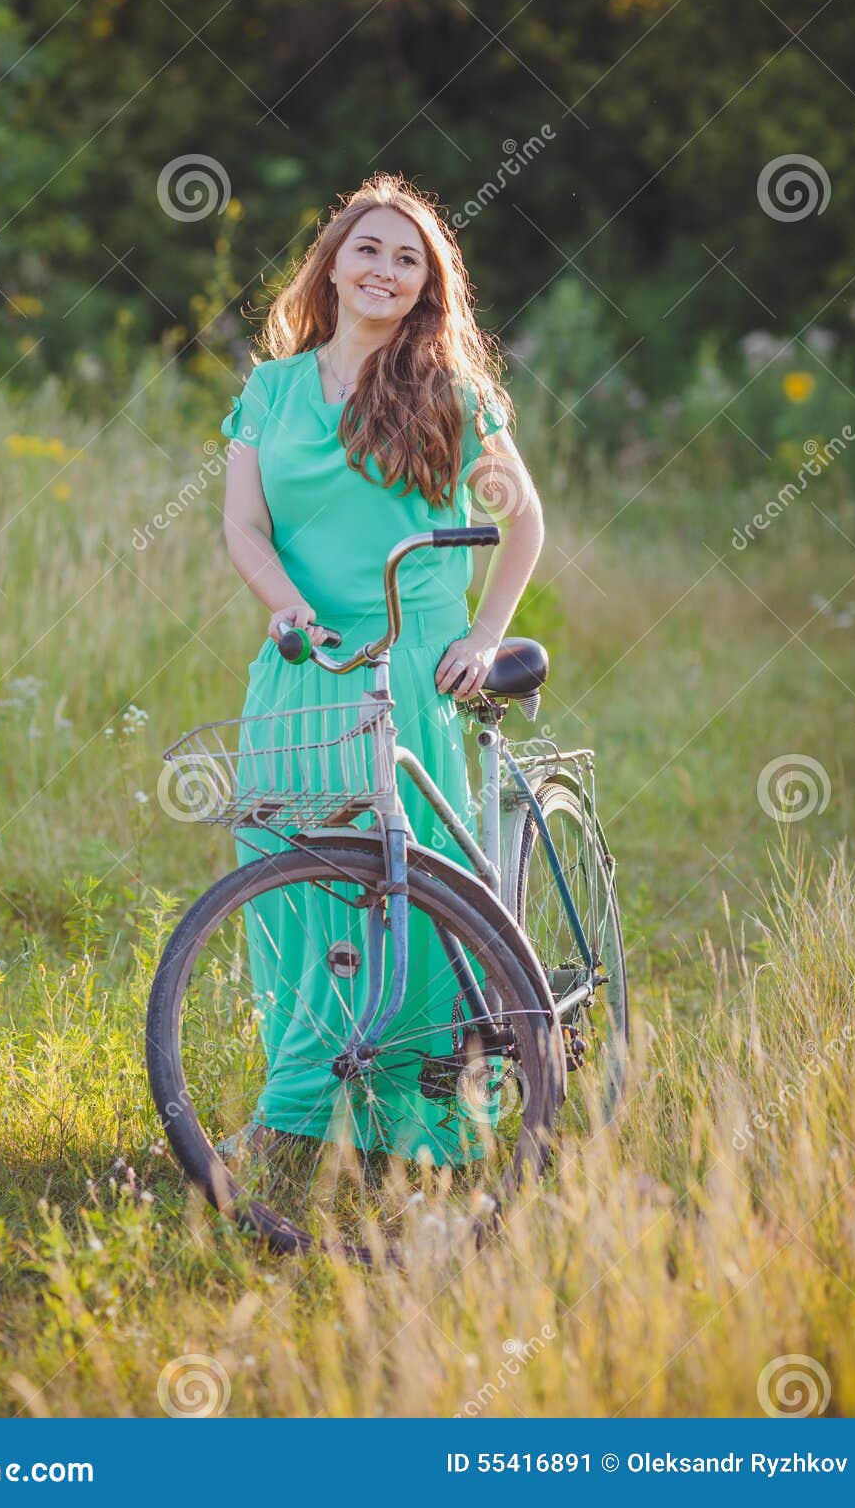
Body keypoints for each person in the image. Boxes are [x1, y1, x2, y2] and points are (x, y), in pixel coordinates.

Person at [218, 173, 544, 1166]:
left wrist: (485, 633)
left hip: (407, 663)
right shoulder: (269, 389)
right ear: (332, 263)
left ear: (425, 285)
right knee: (286, 881)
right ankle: (301, 1104)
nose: (384, 269)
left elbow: (521, 520)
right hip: (303, 657)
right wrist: (289, 608)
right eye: (367, 248)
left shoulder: (450, 391)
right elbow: (243, 525)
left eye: (408, 258)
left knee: (402, 885)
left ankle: (405, 1120)